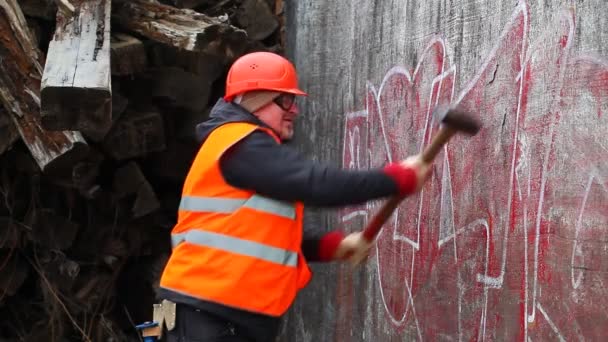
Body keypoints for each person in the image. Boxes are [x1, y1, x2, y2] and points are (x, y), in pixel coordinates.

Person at [157, 51, 432, 342]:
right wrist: (395, 179)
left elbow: (258, 235)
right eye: (285, 100)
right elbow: (314, 183)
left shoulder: (242, 149)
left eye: (293, 100)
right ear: (255, 98)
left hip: (206, 312)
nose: (294, 110)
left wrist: (329, 247)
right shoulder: (240, 143)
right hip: (205, 313)